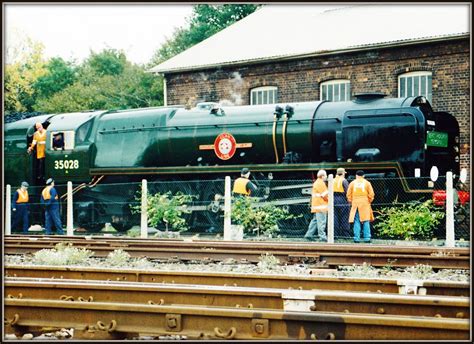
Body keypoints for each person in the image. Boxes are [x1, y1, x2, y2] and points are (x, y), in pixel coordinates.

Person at [347, 170, 375, 243]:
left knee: (356, 221)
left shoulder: (352, 183)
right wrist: (368, 200)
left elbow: (348, 194)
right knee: (366, 220)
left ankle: (356, 238)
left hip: (355, 203)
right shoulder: (367, 183)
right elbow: (371, 194)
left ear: (356, 176)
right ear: (363, 176)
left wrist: (351, 201)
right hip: (365, 203)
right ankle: (367, 238)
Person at [304, 169, 328, 242]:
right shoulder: (321, 183)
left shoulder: (317, 182)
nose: (326, 177)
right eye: (325, 175)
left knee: (315, 221)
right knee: (321, 221)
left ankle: (309, 234)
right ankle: (322, 237)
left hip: (317, 205)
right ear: (322, 176)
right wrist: (331, 200)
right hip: (321, 206)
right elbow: (325, 195)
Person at [334, 168, 351, 238]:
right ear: (343, 173)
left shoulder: (332, 180)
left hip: (333, 199)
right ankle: (345, 235)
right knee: (345, 217)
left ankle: (335, 234)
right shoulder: (344, 180)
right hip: (342, 199)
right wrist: (349, 201)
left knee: (335, 218)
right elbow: (348, 191)